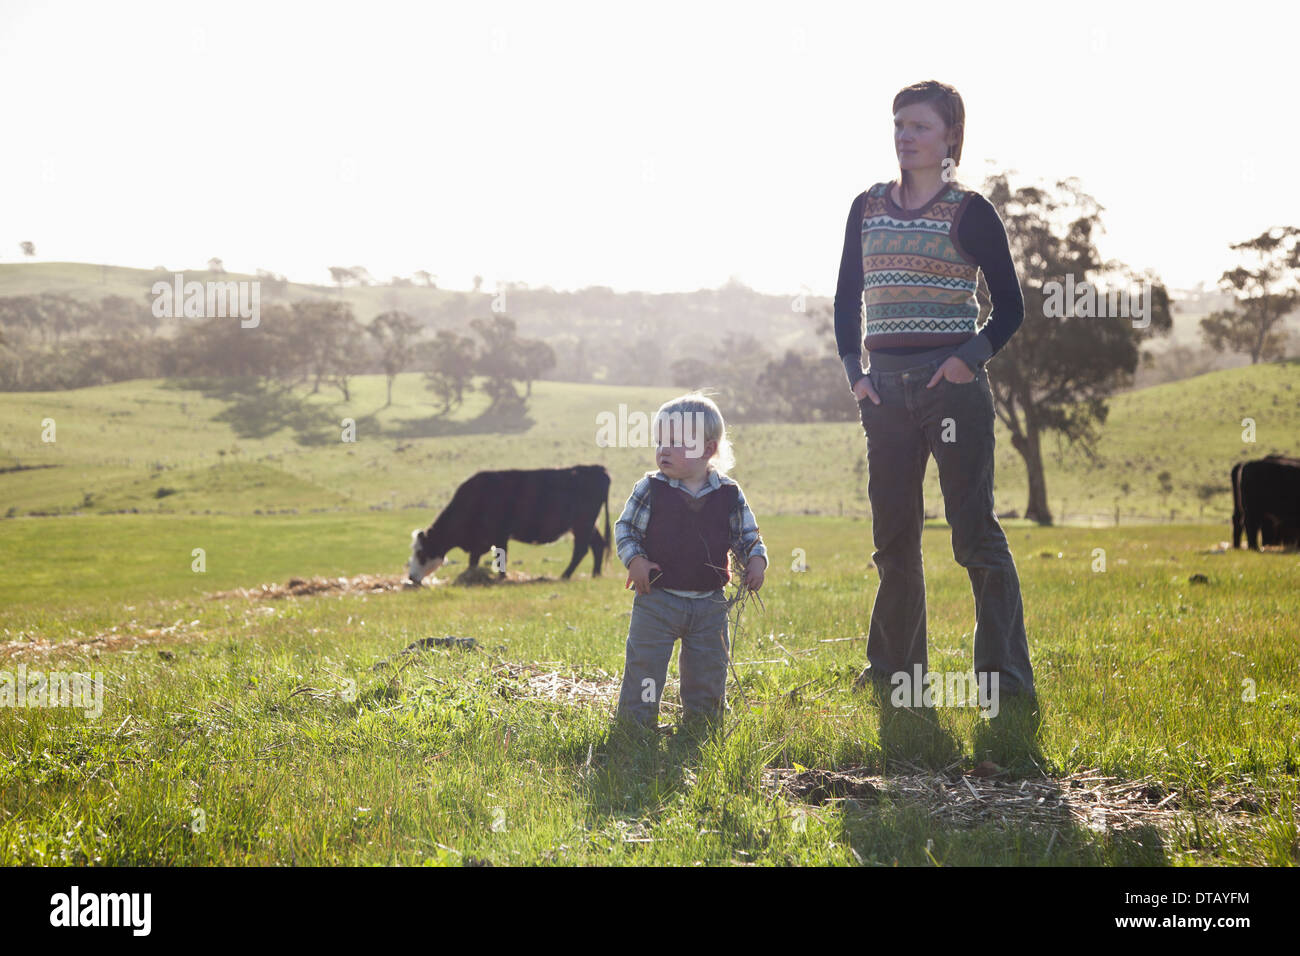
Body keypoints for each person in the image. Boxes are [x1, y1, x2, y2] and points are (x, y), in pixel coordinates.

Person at [833, 79, 1036, 704]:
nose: (904, 136)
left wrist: (962, 362)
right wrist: (856, 375)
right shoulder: (866, 206)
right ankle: (897, 676)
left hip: (952, 392)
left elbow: (1010, 309)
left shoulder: (971, 211)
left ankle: (1004, 684)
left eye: (918, 126)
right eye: (898, 124)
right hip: (884, 396)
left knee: (974, 533)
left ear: (950, 135)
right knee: (894, 540)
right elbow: (847, 298)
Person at [613, 392, 767, 730]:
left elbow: (747, 535)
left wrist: (756, 559)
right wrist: (634, 559)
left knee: (708, 671)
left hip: (710, 606)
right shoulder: (650, 488)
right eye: (661, 441)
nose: (664, 450)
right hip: (656, 600)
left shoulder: (728, 493)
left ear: (708, 449)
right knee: (645, 668)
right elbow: (626, 528)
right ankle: (636, 727)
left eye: (677, 442)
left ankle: (702, 726)